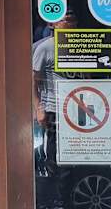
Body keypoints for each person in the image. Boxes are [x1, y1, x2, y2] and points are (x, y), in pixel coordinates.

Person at [32, 10, 77, 179]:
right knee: (54, 154)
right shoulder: (46, 48)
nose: (70, 24)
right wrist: (39, 108)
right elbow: (33, 81)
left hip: (76, 108)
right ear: (54, 24)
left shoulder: (81, 44)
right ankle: (54, 187)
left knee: (74, 155)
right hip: (54, 108)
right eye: (65, 20)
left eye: (72, 20)